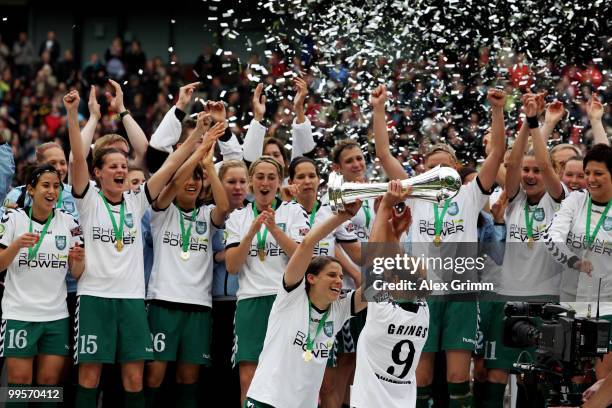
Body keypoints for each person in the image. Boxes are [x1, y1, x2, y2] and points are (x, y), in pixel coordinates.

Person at [64, 89, 210, 408]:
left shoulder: (136, 201)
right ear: (98, 173)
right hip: (95, 300)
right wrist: (80, 117)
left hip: (131, 301)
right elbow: (77, 158)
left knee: (134, 379)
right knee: (89, 379)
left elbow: (170, 165)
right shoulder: (88, 201)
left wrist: (198, 133)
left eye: (123, 166)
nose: (119, 171)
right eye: (112, 166)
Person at [372, 84, 507, 407]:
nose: (437, 171)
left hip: (462, 294)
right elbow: (383, 155)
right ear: (422, 171)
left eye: (444, 166)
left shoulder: (471, 193)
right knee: (421, 377)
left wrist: (498, 111)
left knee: (459, 378)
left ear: (456, 169)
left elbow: (498, 154)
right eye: (431, 167)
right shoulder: (415, 194)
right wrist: (379, 110)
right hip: (422, 293)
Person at [245, 199, 366, 407]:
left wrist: (392, 225)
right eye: (331, 275)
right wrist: (343, 217)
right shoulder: (292, 296)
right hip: (267, 400)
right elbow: (307, 243)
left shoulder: (339, 308)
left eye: (340, 276)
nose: (339, 280)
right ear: (311, 278)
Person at [145, 121, 228, 407]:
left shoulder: (207, 215)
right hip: (163, 302)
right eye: (188, 177)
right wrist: (200, 148)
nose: (192, 182)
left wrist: (209, 167)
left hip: (199, 306)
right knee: (154, 376)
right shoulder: (160, 212)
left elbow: (225, 208)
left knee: (188, 379)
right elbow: (175, 182)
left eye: (197, 178)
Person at [224, 156, 310, 405]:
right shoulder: (237, 217)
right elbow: (232, 265)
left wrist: (274, 229)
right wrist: (251, 232)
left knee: (289, 376)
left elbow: (302, 257)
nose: (265, 182)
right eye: (259, 177)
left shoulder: (293, 211)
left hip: (287, 300)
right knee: (248, 380)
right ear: (251, 182)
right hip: (251, 302)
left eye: (271, 177)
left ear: (279, 181)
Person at [0, 165, 84, 395]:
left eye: (56, 186)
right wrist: (17, 244)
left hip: (55, 315)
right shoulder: (12, 218)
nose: (52, 192)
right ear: (31, 190)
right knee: (19, 381)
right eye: (45, 185)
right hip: (19, 313)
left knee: (49, 382)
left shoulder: (68, 222)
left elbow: (77, 272)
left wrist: (78, 260)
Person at [351, 180, 430, 408]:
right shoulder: (423, 313)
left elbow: (374, 257)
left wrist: (385, 208)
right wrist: (395, 236)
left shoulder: (384, 312)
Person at [544, 143, 612, 382]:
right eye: (588, 173)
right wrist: (574, 261)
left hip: (606, 304)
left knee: (604, 377)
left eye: (599, 173)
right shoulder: (575, 201)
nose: (591, 179)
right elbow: (551, 237)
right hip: (571, 299)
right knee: (572, 375)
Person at [208, 160, 249, 407]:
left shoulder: (256, 214)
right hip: (215, 303)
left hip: (244, 302)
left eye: (242, 181)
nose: (238, 187)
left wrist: (226, 255)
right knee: (220, 366)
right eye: (231, 182)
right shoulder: (209, 215)